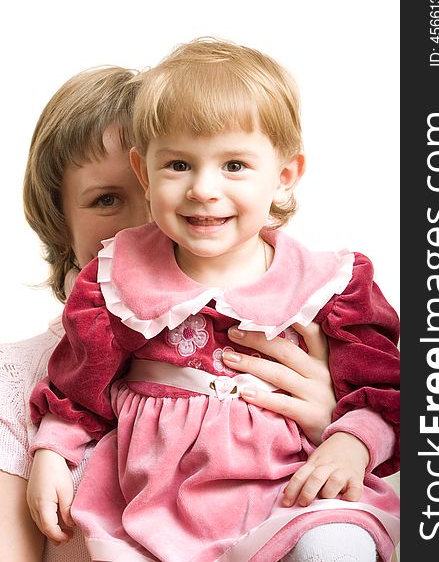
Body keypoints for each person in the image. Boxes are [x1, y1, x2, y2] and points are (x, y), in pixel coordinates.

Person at [27, 38, 400, 562]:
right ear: (145, 170)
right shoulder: (117, 278)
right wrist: (51, 452)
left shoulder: (327, 283)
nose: (204, 188)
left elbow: (384, 388)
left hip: (291, 489)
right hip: (158, 500)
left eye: (234, 166)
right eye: (178, 165)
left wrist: (353, 440)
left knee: (334, 544)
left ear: (285, 175)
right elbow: (80, 382)